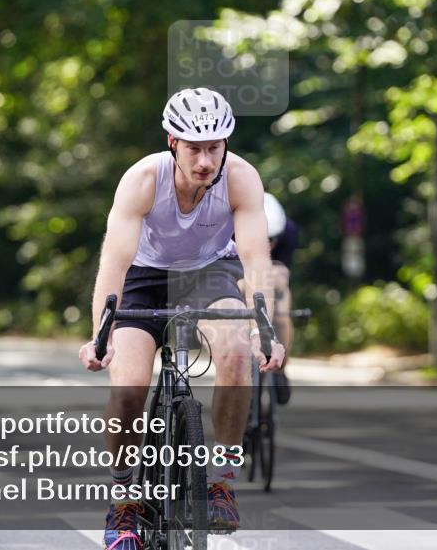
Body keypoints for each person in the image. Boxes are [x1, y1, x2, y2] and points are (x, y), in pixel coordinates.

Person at [79, 88, 284, 550]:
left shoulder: (242, 178)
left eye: (215, 147)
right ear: (173, 142)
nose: (206, 160)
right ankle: (125, 499)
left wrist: (263, 330)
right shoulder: (143, 180)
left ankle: (221, 482)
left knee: (234, 352)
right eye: (194, 147)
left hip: (211, 273)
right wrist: (101, 335)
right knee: (128, 387)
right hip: (144, 276)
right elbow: (113, 262)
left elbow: (255, 259)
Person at [262, 193, 298, 404]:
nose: (267, 245)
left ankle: (280, 371)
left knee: (282, 314)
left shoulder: (289, 231)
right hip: (241, 268)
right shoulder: (230, 230)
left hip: (273, 271)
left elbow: (283, 272)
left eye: (272, 240)